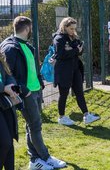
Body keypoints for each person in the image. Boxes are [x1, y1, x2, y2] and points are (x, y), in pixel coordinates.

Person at [0, 16, 66, 170]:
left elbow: (31, 69)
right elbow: (10, 74)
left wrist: (39, 84)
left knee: (34, 126)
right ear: (28, 28)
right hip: (27, 94)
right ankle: (45, 157)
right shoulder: (10, 47)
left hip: (36, 91)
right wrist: (24, 90)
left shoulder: (27, 46)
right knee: (35, 126)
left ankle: (35, 160)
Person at [53, 17, 100, 126]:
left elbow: (79, 50)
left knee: (79, 92)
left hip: (75, 69)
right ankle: (61, 117)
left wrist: (76, 50)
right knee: (63, 94)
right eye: (71, 28)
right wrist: (74, 50)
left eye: (74, 28)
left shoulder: (73, 37)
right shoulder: (59, 38)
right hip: (64, 71)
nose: (73, 30)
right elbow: (61, 54)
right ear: (64, 27)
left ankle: (86, 115)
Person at [0, 52, 18, 170]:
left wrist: (12, 86)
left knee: (9, 145)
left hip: (4, 104)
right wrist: (3, 88)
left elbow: (7, 74)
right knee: (5, 143)